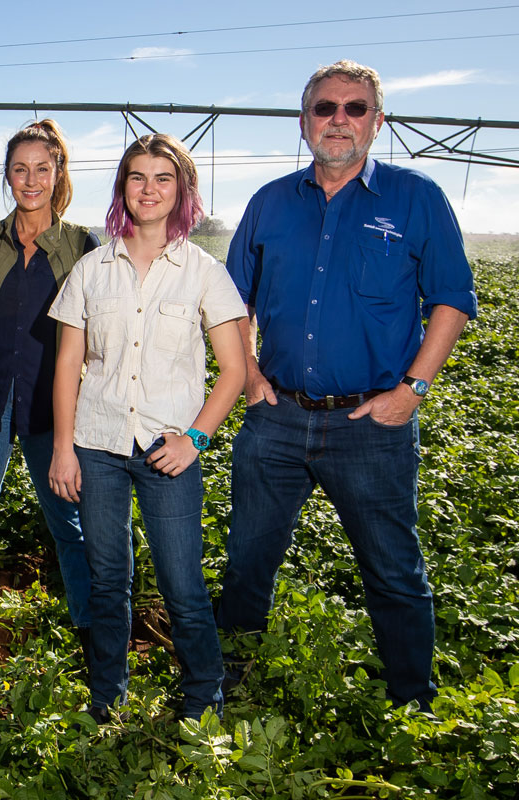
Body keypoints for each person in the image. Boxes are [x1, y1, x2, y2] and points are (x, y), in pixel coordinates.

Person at [218, 60, 477, 709]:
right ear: (304, 122)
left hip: (372, 424)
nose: (340, 119)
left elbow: (451, 300)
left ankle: (411, 705)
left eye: (355, 108)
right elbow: (229, 301)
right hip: (277, 417)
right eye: (326, 107)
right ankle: (227, 688)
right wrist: (250, 376)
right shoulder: (271, 203)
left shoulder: (416, 200)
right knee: (248, 560)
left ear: (378, 122)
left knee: (393, 570)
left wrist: (412, 390)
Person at [49, 133, 246, 722]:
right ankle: (108, 698)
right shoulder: (92, 268)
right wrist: (63, 447)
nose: (150, 189)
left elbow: (234, 371)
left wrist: (197, 438)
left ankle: (202, 695)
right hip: (98, 445)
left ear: (181, 191)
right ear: (122, 189)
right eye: (138, 177)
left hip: (169, 451)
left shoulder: (204, 272)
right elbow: (67, 366)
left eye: (164, 178)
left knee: (182, 583)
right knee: (109, 580)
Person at [0, 120, 99, 672]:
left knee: (67, 519)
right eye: (19, 169)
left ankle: (87, 623)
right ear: (7, 176)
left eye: (42, 168)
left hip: (49, 406)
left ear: (58, 174)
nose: (30, 180)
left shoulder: (82, 245)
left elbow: (93, 335)